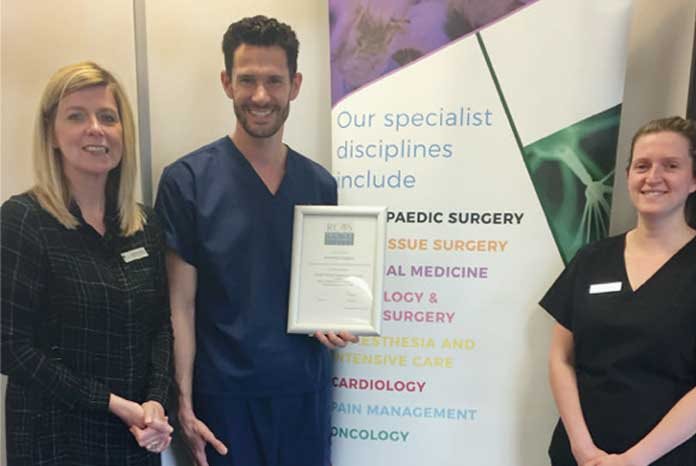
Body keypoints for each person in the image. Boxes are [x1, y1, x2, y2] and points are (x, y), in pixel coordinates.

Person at [155, 15, 358, 466]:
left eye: (274, 81)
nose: (261, 96)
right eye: (247, 80)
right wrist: (183, 403)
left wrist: (337, 317)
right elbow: (180, 306)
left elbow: (323, 287)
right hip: (223, 401)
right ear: (227, 82)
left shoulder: (320, 186)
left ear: (296, 84)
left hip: (303, 394)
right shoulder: (187, 181)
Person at [1, 61, 174, 465]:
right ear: (52, 134)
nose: (95, 128)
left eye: (108, 117)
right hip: (55, 440)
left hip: (135, 439)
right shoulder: (24, 220)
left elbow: (161, 328)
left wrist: (153, 401)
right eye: (76, 116)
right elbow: (10, 347)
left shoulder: (145, 225)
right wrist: (112, 403)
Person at [542, 116, 696, 466]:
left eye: (670, 165)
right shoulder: (592, 259)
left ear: (693, 179)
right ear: (627, 175)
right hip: (580, 456)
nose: (652, 177)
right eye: (642, 166)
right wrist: (583, 451)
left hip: (667, 457)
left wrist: (634, 460)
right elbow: (560, 358)